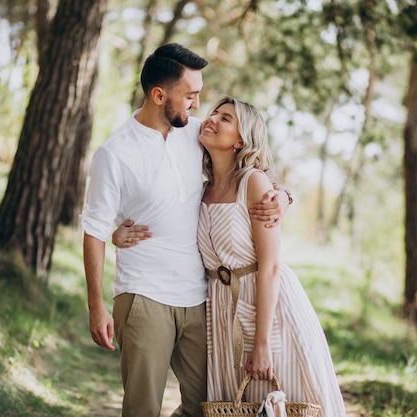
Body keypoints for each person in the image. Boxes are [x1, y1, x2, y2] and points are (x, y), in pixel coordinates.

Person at [81, 44, 289, 417]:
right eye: (190, 95)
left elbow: (250, 167)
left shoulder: (197, 135)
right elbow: (93, 230)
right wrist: (96, 305)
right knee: (142, 408)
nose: (197, 105)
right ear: (159, 95)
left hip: (199, 299)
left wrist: (285, 197)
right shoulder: (114, 154)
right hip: (144, 295)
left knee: (205, 407)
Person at [197, 96, 346, 417]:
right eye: (214, 113)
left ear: (241, 139)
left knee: (284, 400)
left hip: (266, 306)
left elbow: (270, 265)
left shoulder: (253, 182)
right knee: (237, 405)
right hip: (221, 312)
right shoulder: (201, 188)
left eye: (226, 119)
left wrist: (262, 342)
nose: (212, 119)